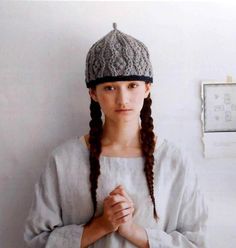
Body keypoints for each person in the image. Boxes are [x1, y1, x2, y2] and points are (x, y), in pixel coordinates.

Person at [24, 23, 208, 248]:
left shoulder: (175, 161)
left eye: (132, 85)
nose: (123, 99)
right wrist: (102, 225)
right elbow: (36, 241)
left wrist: (132, 231)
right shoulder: (63, 160)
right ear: (93, 93)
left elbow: (196, 242)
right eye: (110, 87)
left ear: (147, 88)